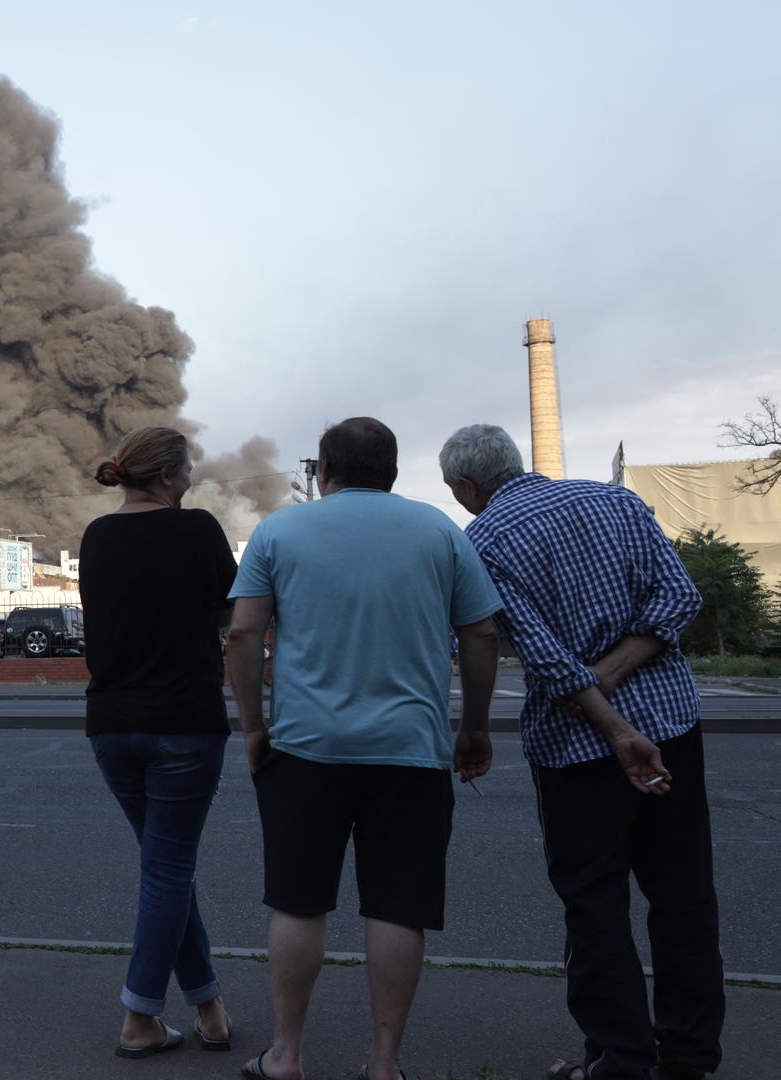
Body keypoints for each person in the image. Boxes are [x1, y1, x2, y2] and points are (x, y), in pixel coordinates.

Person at [439, 424, 723, 1080]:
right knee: (684, 896)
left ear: (468, 487)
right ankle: (689, 1054)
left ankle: (621, 1062)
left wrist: (610, 712)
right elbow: (680, 597)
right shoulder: (616, 501)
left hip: (577, 750)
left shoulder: (482, 542)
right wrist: (621, 669)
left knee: (593, 905)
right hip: (674, 726)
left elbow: (544, 659)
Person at [225, 418, 502, 1080]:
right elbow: (482, 635)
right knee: (398, 906)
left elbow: (242, 635)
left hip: (304, 748)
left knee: (298, 901)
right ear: (395, 472)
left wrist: (254, 726)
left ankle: (286, 1056)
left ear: (323, 471)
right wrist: (475, 727)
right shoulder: (439, 531)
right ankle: (384, 1063)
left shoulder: (279, 531)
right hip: (411, 751)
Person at [78, 426, 238, 1059]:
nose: (194, 473)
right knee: (168, 869)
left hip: (112, 725)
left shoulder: (96, 536)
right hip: (183, 724)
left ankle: (211, 1008)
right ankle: (138, 1017)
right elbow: (230, 612)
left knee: (165, 867)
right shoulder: (197, 530)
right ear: (170, 475)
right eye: (189, 464)